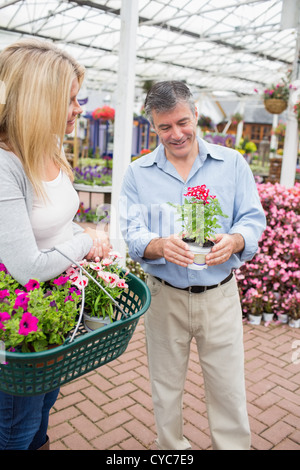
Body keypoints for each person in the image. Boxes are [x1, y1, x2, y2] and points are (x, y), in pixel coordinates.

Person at [120, 81, 266, 450]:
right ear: (153, 126)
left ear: (196, 114)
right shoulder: (138, 173)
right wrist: (157, 245)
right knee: (165, 388)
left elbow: (252, 218)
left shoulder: (231, 163)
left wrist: (235, 240)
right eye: (165, 127)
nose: (176, 134)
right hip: (164, 297)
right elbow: (132, 231)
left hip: (219, 295)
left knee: (228, 388)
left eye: (183, 122)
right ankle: (172, 449)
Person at [0, 38, 110, 450]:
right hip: (17, 328)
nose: (80, 108)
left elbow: (54, 222)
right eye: (70, 99)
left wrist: (81, 236)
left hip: (53, 312)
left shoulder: (48, 145)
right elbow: (27, 267)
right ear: (37, 99)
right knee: (17, 426)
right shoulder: (4, 165)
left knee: (43, 411)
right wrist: (86, 240)